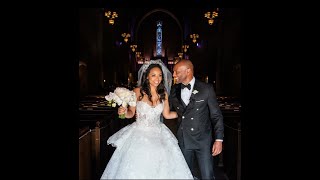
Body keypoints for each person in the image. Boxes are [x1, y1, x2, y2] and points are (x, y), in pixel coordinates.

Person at [100, 59, 193, 179]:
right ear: (147, 76)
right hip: (139, 134)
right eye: (153, 75)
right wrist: (123, 112)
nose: (157, 78)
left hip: (159, 134)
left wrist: (184, 113)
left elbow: (167, 115)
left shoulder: (163, 93)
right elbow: (131, 113)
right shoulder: (137, 92)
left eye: (160, 75)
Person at [169, 59, 224, 180]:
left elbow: (216, 115)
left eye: (176, 72)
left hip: (203, 141)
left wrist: (219, 140)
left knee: (207, 175)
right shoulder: (174, 90)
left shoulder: (206, 89)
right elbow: (167, 111)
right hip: (183, 139)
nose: (173, 75)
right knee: (185, 175)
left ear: (188, 71)